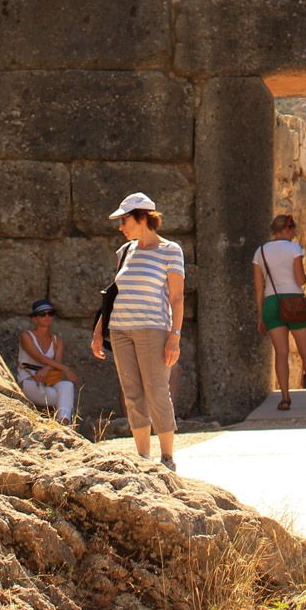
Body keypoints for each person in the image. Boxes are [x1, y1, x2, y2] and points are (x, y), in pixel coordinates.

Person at [89, 192, 184, 471]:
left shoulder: (170, 250)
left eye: (125, 220)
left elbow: (177, 298)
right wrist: (98, 332)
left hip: (153, 329)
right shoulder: (126, 251)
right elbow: (113, 294)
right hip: (120, 330)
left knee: (157, 392)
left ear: (143, 218)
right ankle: (144, 459)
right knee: (132, 394)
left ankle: (167, 460)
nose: (121, 227)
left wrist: (174, 336)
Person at [255, 214, 306, 411]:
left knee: (281, 353)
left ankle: (285, 399)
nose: (293, 234)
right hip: (294, 302)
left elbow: (258, 287)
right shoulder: (294, 248)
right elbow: (299, 279)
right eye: (292, 229)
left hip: (271, 303)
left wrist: (261, 316)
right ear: (286, 229)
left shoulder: (260, 252)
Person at [16, 298, 78, 424]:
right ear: (35, 319)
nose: (47, 317)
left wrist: (46, 369)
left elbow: (57, 363)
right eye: (42, 314)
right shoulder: (26, 336)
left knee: (67, 386)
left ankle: (64, 423)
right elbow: (39, 357)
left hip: (48, 381)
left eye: (50, 313)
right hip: (30, 380)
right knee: (64, 398)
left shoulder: (57, 341)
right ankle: (64, 423)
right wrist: (66, 369)